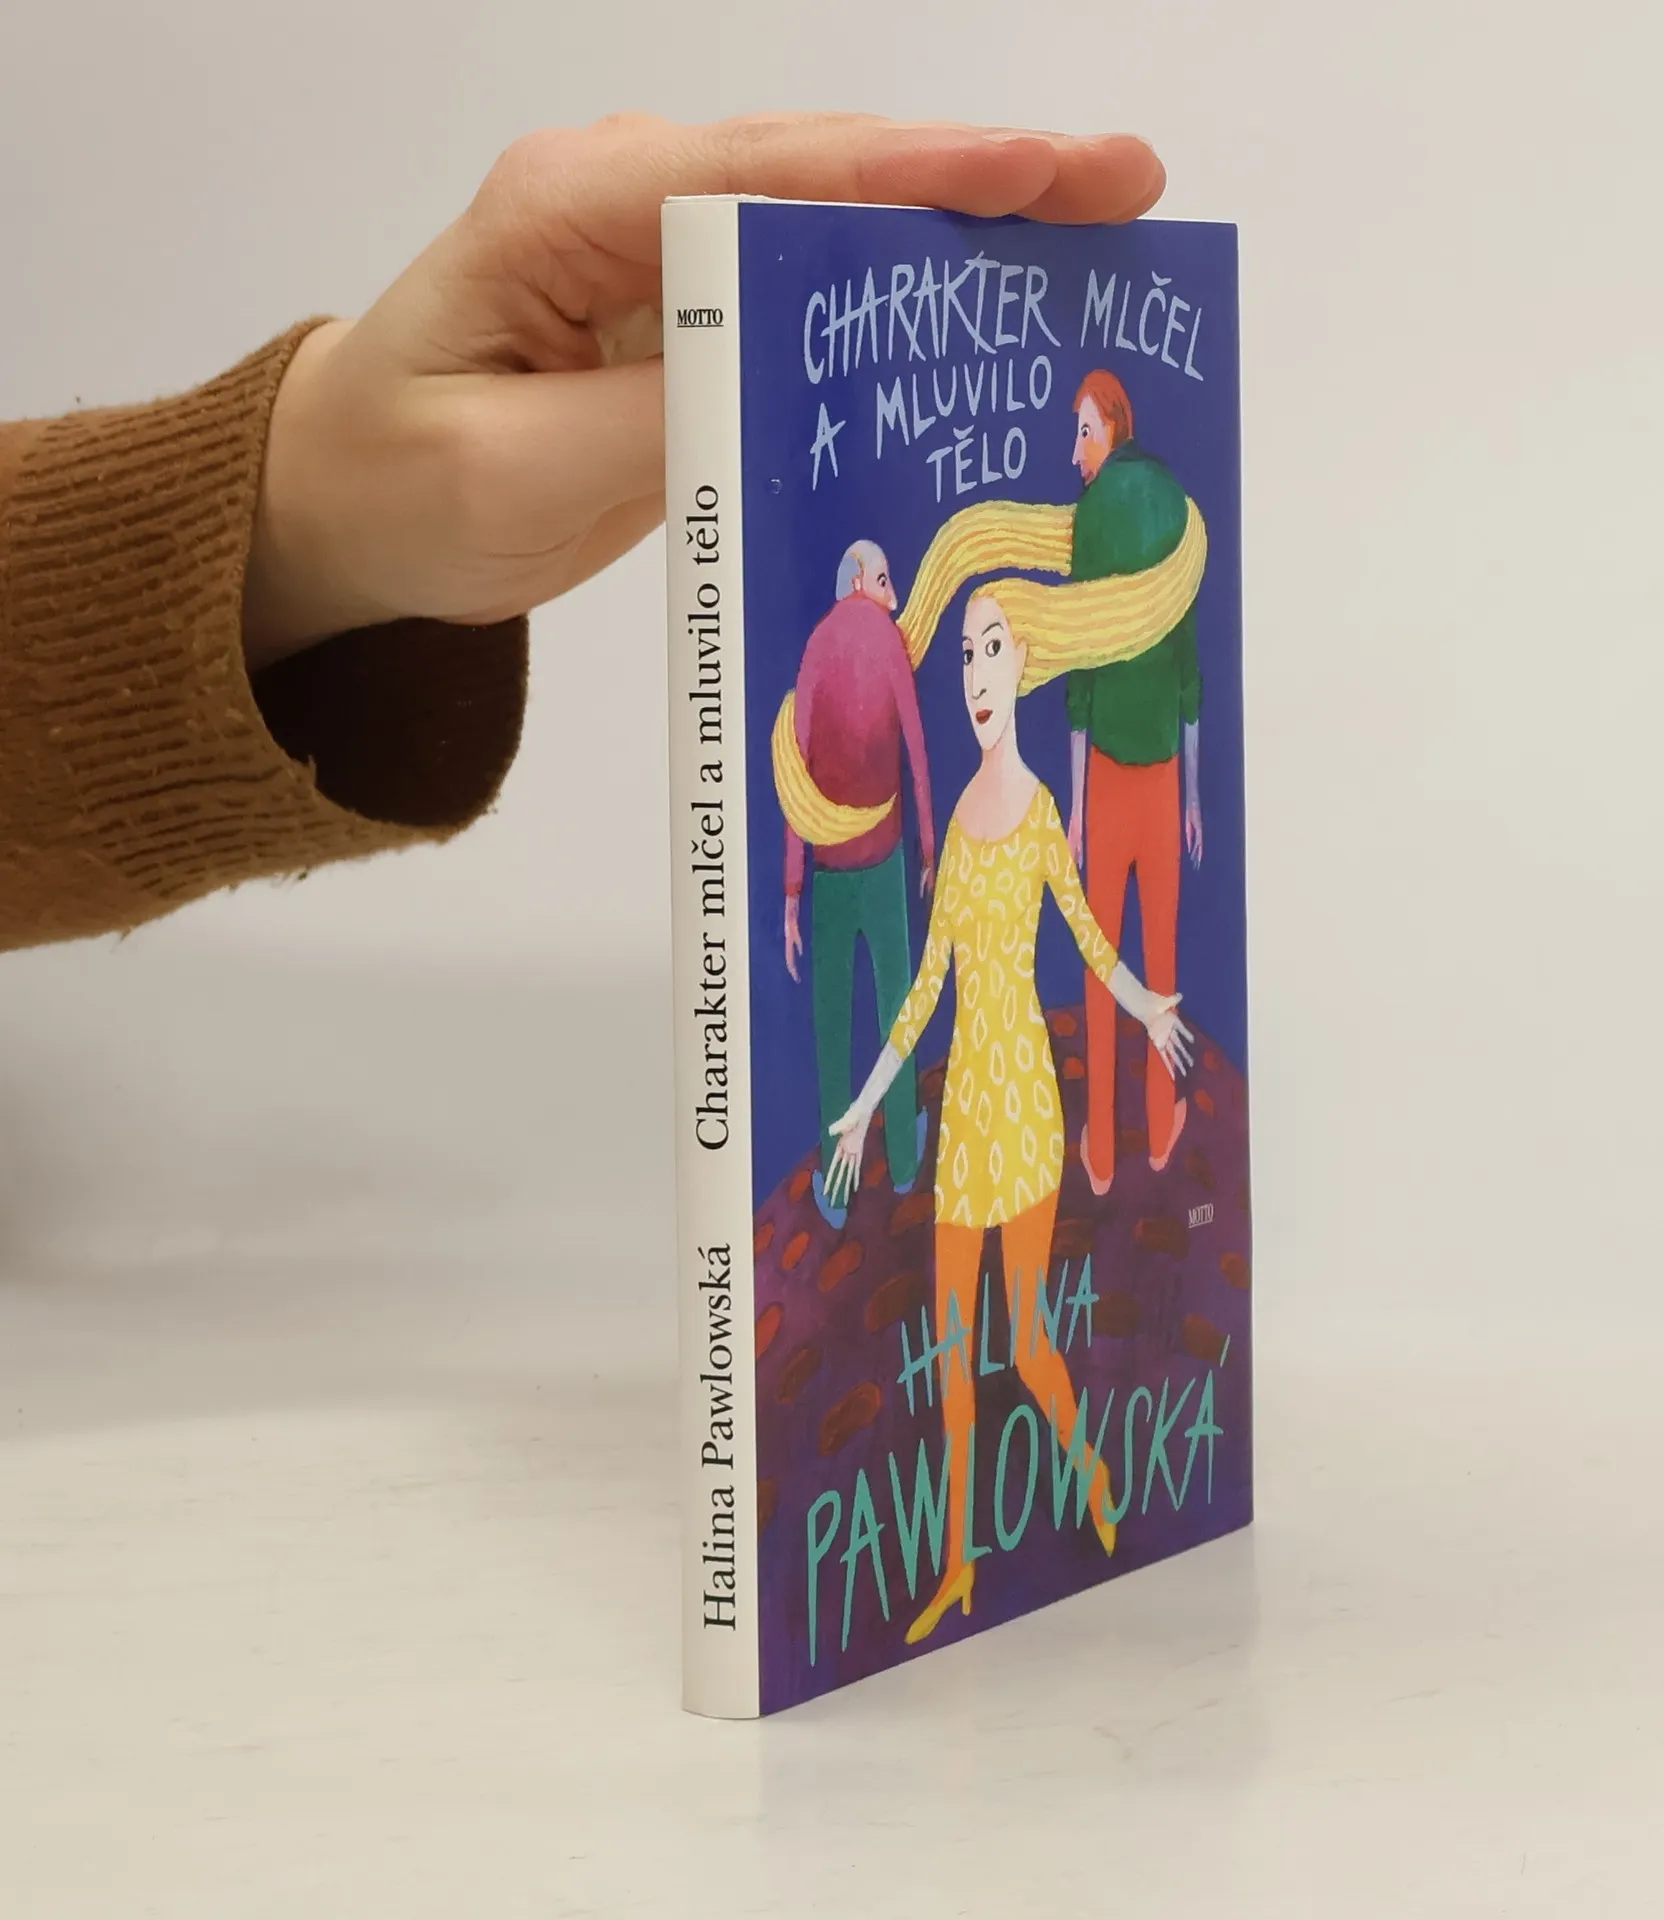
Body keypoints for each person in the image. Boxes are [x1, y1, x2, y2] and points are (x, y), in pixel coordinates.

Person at [0, 113, 1166, 955]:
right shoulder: (859, 651)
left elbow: (876, 746)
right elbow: (859, 747)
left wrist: (300, 515)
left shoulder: (899, 645)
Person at [821, 492, 1205, 1647]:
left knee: (1030, 1341)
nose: (976, 675)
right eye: (964, 658)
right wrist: (862, 1109)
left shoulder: (1038, 814)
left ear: (1026, 663)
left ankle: (1089, 1469)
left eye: (992, 650)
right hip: (966, 1129)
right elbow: (923, 994)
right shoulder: (955, 836)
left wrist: (1144, 1003)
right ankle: (957, 1570)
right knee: (952, 1353)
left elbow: (1085, 932)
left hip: (1027, 1108)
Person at [1061, 370, 1204, 1197]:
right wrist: (1193, 796)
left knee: (1099, 961)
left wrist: (1076, 808)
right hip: (1163, 779)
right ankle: (1157, 1129)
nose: (1074, 451)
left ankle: (1102, 1154)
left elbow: (1079, 668)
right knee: (1161, 960)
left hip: (1108, 779)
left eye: (1083, 430)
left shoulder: (1090, 518)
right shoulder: (1177, 505)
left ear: (1112, 425)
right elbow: (1189, 670)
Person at [781, 541, 934, 1226]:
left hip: (829, 874)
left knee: (833, 1029)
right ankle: (902, 1161)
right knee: (899, 1012)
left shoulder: (815, 648)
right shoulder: (889, 641)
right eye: (885, 579)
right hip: (886, 861)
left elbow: (797, 779)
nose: (893, 592)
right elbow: (917, 750)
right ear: (863, 581)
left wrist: (792, 892)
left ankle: (837, 1192)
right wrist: (928, 845)